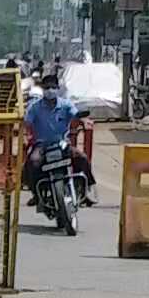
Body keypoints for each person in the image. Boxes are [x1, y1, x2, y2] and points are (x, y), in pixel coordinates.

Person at [22, 74, 95, 206]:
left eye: (53, 87)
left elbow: (76, 114)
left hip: (61, 143)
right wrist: (24, 136)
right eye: (47, 87)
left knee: (82, 158)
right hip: (41, 145)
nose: (50, 90)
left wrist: (83, 120)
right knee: (32, 163)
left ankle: (84, 192)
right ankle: (36, 194)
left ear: (57, 88)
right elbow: (26, 123)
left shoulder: (66, 104)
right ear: (43, 89)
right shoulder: (34, 107)